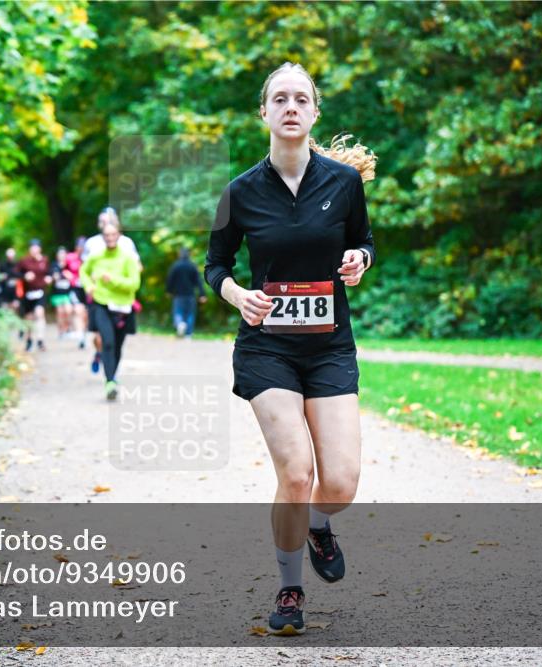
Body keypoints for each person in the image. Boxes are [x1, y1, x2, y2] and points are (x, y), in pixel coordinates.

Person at [203, 62, 376, 635]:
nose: (291, 106)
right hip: (266, 348)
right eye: (280, 98)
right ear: (265, 112)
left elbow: (364, 241)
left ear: (315, 112)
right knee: (297, 473)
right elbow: (216, 265)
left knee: (340, 485)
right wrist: (237, 295)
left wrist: (359, 260)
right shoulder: (239, 191)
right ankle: (290, 587)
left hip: (329, 348)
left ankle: (319, 525)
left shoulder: (343, 184)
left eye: (301, 98)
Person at [80, 220, 141, 401]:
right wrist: (88, 286)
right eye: (106, 235)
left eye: (113, 234)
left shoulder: (128, 258)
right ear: (103, 237)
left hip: (123, 307)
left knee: (118, 346)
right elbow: (83, 271)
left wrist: (112, 279)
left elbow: (134, 284)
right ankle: (110, 382)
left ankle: (113, 376)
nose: (110, 238)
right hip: (101, 303)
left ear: (119, 235)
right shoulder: (96, 256)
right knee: (107, 342)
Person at [16, 239, 52, 352]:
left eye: (36, 247)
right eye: (32, 247)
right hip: (27, 294)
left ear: (40, 248)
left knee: (39, 313)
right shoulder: (24, 261)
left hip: (40, 292)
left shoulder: (44, 260)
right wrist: (24, 276)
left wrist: (49, 278)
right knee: (29, 318)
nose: (34, 249)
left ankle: (40, 340)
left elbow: (50, 272)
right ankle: (29, 340)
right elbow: (15, 273)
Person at [165, 247, 207, 338]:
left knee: (178, 312)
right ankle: (188, 334)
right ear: (189, 255)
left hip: (178, 294)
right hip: (190, 294)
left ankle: (180, 324)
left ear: (179, 254)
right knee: (190, 314)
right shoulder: (193, 266)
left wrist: (169, 291)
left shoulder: (175, 266)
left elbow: (170, 280)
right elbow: (198, 281)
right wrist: (202, 294)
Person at [64, 237, 88, 348]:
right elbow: (63, 268)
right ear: (76, 247)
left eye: (83, 246)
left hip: (87, 288)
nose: (81, 249)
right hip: (75, 288)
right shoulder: (70, 257)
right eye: (80, 246)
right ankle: (80, 336)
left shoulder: (90, 258)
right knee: (78, 310)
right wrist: (67, 274)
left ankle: (84, 334)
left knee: (85, 314)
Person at [49, 247, 75, 338]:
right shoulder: (54, 265)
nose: (62, 256)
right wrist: (54, 277)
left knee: (68, 310)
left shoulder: (69, 265)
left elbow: (74, 276)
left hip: (67, 293)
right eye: (60, 254)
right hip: (57, 293)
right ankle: (61, 331)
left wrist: (70, 276)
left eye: (63, 253)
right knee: (60, 312)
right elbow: (51, 277)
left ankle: (67, 327)